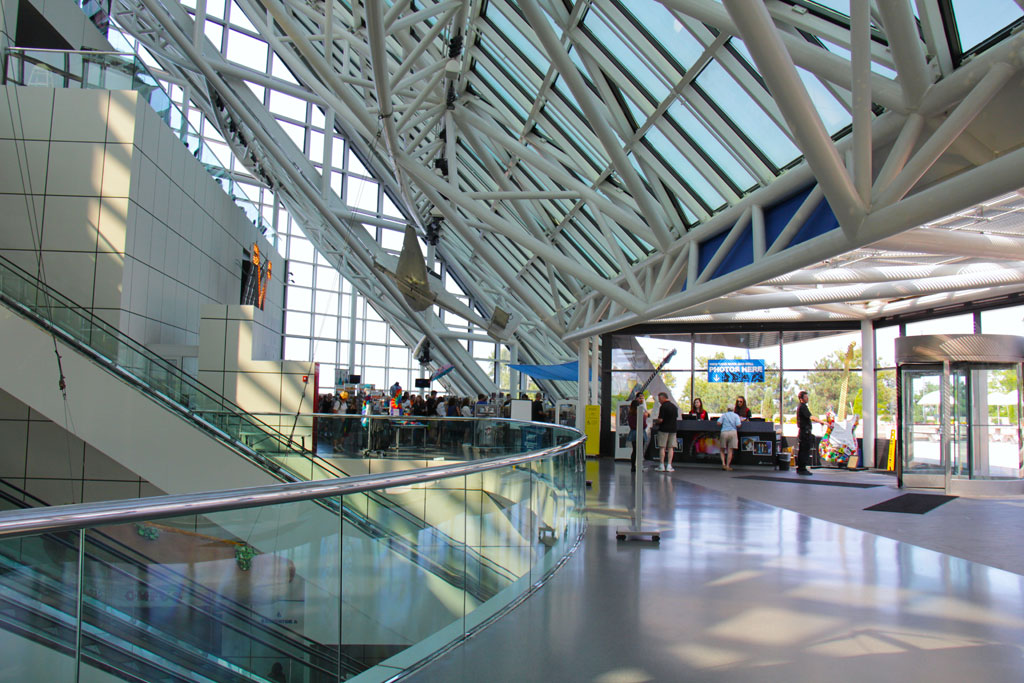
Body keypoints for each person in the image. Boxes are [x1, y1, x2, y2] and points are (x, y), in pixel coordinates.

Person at [796, 390, 824, 475]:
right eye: (805, 397)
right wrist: (821, 421)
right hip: (805, 432)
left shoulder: (801, 407)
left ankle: (801, 468)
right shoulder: (803, 407)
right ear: (801, 398)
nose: (807, 398)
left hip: (804, 432)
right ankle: (802, 468)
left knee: (803, 450)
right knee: (804, 450)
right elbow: (810, 417)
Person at [653, 392, 678, 472]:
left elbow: (661, 420)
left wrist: (655, 422)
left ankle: (661, 465)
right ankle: (669, 465)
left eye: (660, 399)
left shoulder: (663, 407)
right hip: (673, 429)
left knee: (662, 447)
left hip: (663, 429)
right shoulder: (674, 407)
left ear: (663, 398)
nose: (659, 401)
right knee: (671, 448)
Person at [627, 394, 649, 472]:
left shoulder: (630, 414)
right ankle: (639, 465)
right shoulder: (640, 415)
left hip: (633, 433)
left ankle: (633, 466)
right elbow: (644, 425)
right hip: (640, 433)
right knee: (640, 450)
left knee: (634, 451)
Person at [717, 406, 743, 471]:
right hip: (733, 432)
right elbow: (738, 425)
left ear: (727, 409)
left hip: (724, 432)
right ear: (733, 409)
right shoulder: (736, 416)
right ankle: (728, 466)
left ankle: (723, 464)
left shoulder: (724, 415)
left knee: (722, 449)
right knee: (730, 450)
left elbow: (718, 423)